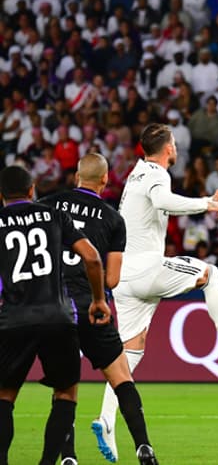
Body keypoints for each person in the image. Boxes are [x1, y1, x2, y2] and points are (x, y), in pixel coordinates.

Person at [94, 124, 218, 462]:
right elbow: (163, 201)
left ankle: (106, 419)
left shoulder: (136, 174)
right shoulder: (157, 174)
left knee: (130, 352)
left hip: (124, 276)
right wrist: (207, 203)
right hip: (144, 268)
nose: (176, 148)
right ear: (167, 148)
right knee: (209, 273)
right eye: (174, 143)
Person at [40, 154, 158, 465]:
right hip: (91, 305)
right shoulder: (113, 219)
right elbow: (114, 278)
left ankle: (68, 457)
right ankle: (144, 448)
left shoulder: (47, 205)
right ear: (105, 181)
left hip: (53, 307)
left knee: (64, 390)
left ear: (76, 176)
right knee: (122, 379)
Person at [0, 164, 110, 465]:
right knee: (66, 393)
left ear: (1, 196)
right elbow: (91, 256)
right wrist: (98, 299)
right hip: (59, 317)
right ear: (31, 190)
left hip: (13, 319)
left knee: (4, 397)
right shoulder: (53, 215)